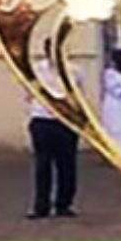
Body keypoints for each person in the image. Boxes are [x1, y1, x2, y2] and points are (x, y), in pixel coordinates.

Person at [27, 53, 81, 219]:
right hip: (42, 119)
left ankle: (63, 204)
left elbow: (77, 95)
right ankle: (41, 206)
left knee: (67, 165)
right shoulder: (36, 69)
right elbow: (29, 93)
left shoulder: (73, 70)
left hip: (66, 121)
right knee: (43, 165)